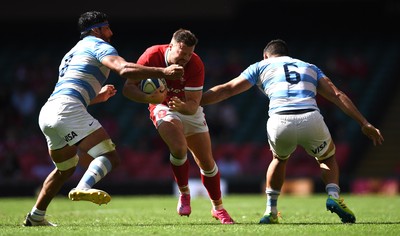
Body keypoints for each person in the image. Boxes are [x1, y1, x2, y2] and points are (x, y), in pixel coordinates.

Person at [23, 11, 184, 227]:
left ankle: (35, 216)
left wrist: (97, 96)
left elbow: (71, 89)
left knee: (65, 168)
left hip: (49, 112)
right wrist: (163, 72)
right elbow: (124, 69)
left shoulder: (72, 53)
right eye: (107, 27)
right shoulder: (99, 45)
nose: (111, 32)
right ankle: (83, 187)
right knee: (110, 156)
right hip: (66, 110)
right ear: (96, 30)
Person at [200, 39, 384, 224]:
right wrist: (364, 122)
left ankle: (271, 211)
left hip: (280, 119)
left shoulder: (261, 66)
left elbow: (227, 89)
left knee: (279, 159)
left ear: (266, 55)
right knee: (326, 157)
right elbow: (337, 95)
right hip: (310, 117)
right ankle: (333, 196)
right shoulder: (310, 67)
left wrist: (195, 101)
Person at [122, 29, 234, 224]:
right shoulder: (152, 55)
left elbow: (193, 104)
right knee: (179, 147)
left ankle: (218, 208)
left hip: (188, 108)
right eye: (181, 54)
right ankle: (184, 193)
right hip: (162, 106)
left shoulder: (195, 64)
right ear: (171, 46)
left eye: (189, 54)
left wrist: (184, 107)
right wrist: (149, 98)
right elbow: (128, 88)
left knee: (206, 162)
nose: (185, 58)